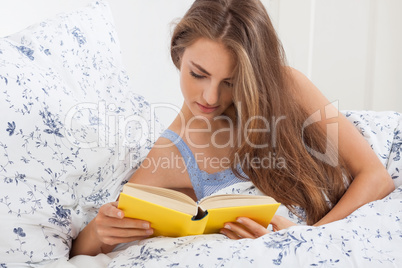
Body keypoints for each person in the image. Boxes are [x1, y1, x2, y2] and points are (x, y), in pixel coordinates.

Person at [69, 0, 394, 257]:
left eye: (231, 82)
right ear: (178, 53)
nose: (210, 97)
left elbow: (376, 176)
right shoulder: (171, 154)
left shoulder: (289, 85)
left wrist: (307, 237)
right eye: (198, 74)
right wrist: (99, 232)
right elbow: (89, 248)